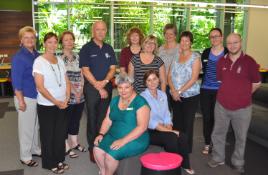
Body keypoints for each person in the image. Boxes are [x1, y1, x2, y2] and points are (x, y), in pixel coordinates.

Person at [208, 33, 261, 173]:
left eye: (235, 42)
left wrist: (243, 94)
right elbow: (221, 82)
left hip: (243, 108)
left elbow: (257, 83)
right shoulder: (221, 61)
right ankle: (218, 157)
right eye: (229, 43)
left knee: (240, 137)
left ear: (241, 42)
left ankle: (238, 162)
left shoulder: (250, 62)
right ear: (226, 44)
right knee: (218, 133)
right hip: (221, 105)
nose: (232, 45)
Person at [93, 73, 150, 175]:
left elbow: (142, 127)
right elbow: (107, 120)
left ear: (132, 87)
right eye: (120, 87)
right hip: (113, 135)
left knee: (111, 155)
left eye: (126, 87)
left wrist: (123, 141)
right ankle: (103, 171)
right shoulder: (114, 101)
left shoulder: (140, 102)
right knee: (97, 149)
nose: (123, 91)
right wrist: (101, 134)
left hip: (135, 138)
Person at [141, 70, 195, 175]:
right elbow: (150, 121)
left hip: (163, 128)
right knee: (171, 137)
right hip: (149, 131)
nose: (152, 82)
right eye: (149, 80)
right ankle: (172, 168)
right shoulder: (142, 97)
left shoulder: (163, 94)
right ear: (145, 83)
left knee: (183, 136)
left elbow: (166, 113)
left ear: (159, 80)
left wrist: (169, 125)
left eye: (154, 79)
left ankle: (185, 165)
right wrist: (169, 132)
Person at [79, 20, 117, 163]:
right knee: (92, 119)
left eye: (103, 29)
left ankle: (102, 145)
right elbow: (85, 70)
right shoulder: (86, 48)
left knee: (104, 118)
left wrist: (105, 82)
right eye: (98, 29)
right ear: (93, 31)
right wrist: (98, 86)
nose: (101, 32)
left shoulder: (109, 48)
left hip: (106, 87)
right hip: (91, 88)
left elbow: (113, 68)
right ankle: (92, 149)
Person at [33, 32, 71, 174]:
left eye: (55, 42)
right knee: (48, 134)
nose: (53, 45)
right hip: (47, 105)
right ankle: (49, 163)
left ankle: (59, 159)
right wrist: (56, 101)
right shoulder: (39, 61)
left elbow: (66, 80)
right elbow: (40, 87)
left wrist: (67, 97)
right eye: (49, 42)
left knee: (60, 134)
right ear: (44, 44)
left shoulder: (59, 60)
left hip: (62, 103)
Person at [11, 26, 41, 167]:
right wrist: (21, 101)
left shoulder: (36, 54)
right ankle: (25, 156)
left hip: (37, 97)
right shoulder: (19, 57)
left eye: (32, 37)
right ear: (21, 40)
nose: (29, 40)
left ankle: (34, 149)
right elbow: (16, 82)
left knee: (35, 126)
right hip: (25, 97)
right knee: (26, 128)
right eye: (26, 37)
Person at [168, 31, 201, 153]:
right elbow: (169, 76)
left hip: (190, 96)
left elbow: (193, 78)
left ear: (191, 43)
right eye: (182, 40)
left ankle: (186, 150)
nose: (184, 43)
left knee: (187, 123)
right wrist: (173, 90)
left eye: (187, 40)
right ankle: (177, 146)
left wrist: (179, 91)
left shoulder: (195, 57)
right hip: (175, 95)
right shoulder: (176, 56)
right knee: (177, 122)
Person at [200, 28, 228, 155]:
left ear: (221, 37)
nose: (214, 39)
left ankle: (217, 144)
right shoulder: (205, 52)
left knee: (219, 118)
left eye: (216, 36)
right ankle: (207, 143)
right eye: (211, 37)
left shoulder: (228, 52)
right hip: (206, 90)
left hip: (221, 91)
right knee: (207, 118)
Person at [59, 31, 86, 159]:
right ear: (62, 42)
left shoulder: (78, 56)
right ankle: (65, 145)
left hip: (80, 94)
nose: (69, 42)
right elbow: (64, 78)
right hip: (68, 94)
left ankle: (74, 143)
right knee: (66, 120)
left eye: (71, 39)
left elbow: (82, 74)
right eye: (66, 40)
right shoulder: (59, 59)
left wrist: (81, 90)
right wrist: (74, 91)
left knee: (76, 119)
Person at [158, 23, 180, 109]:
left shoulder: (180, 48)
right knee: (164, 109)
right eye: (166, 33)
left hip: (176, 84)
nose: (168, 36)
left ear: (175, 35)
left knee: (177, 111)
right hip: (163, 84)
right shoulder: (160, 49)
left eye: (171, 33)